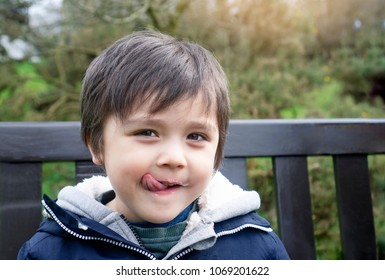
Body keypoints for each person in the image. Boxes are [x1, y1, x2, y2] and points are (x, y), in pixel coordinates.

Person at [17, 30, 290, 260]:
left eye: (196, 136)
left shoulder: (256, 247)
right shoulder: (52, 254)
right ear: (98, 146)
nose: (173, 158)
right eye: (147, 132)